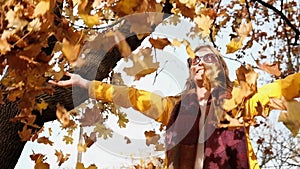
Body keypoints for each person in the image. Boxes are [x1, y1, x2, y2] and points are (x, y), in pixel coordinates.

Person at [49, 45, 300, 169]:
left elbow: (275, 91)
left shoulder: (238, 103)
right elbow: (134, 96)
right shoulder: (175, 108)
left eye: (207, 57)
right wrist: (88, 84)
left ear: (221, 70)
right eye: (195, 59)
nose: (199, 62)